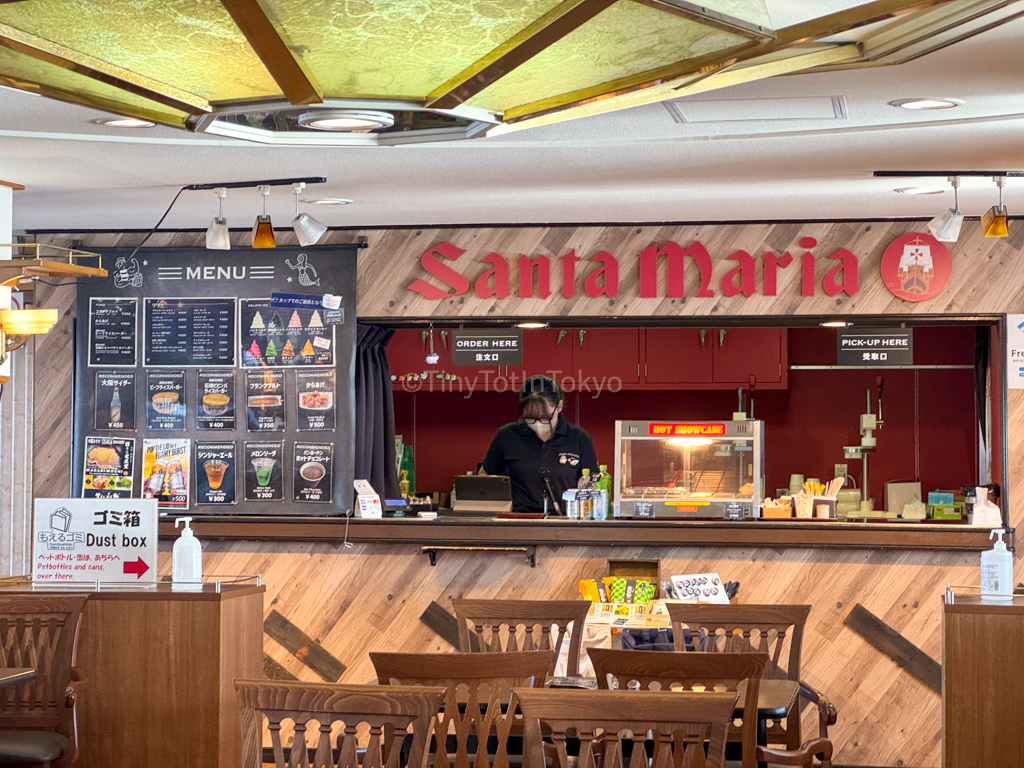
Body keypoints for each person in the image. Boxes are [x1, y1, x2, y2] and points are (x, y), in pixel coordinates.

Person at [481, 375, 599, 513]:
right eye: (530, 417)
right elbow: (485, 476)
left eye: (545, 417)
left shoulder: (579, 438)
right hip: (518, 520)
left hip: (565, 521)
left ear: (559, 406)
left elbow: (593, 485)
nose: (538, 424)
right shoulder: (507, 436)